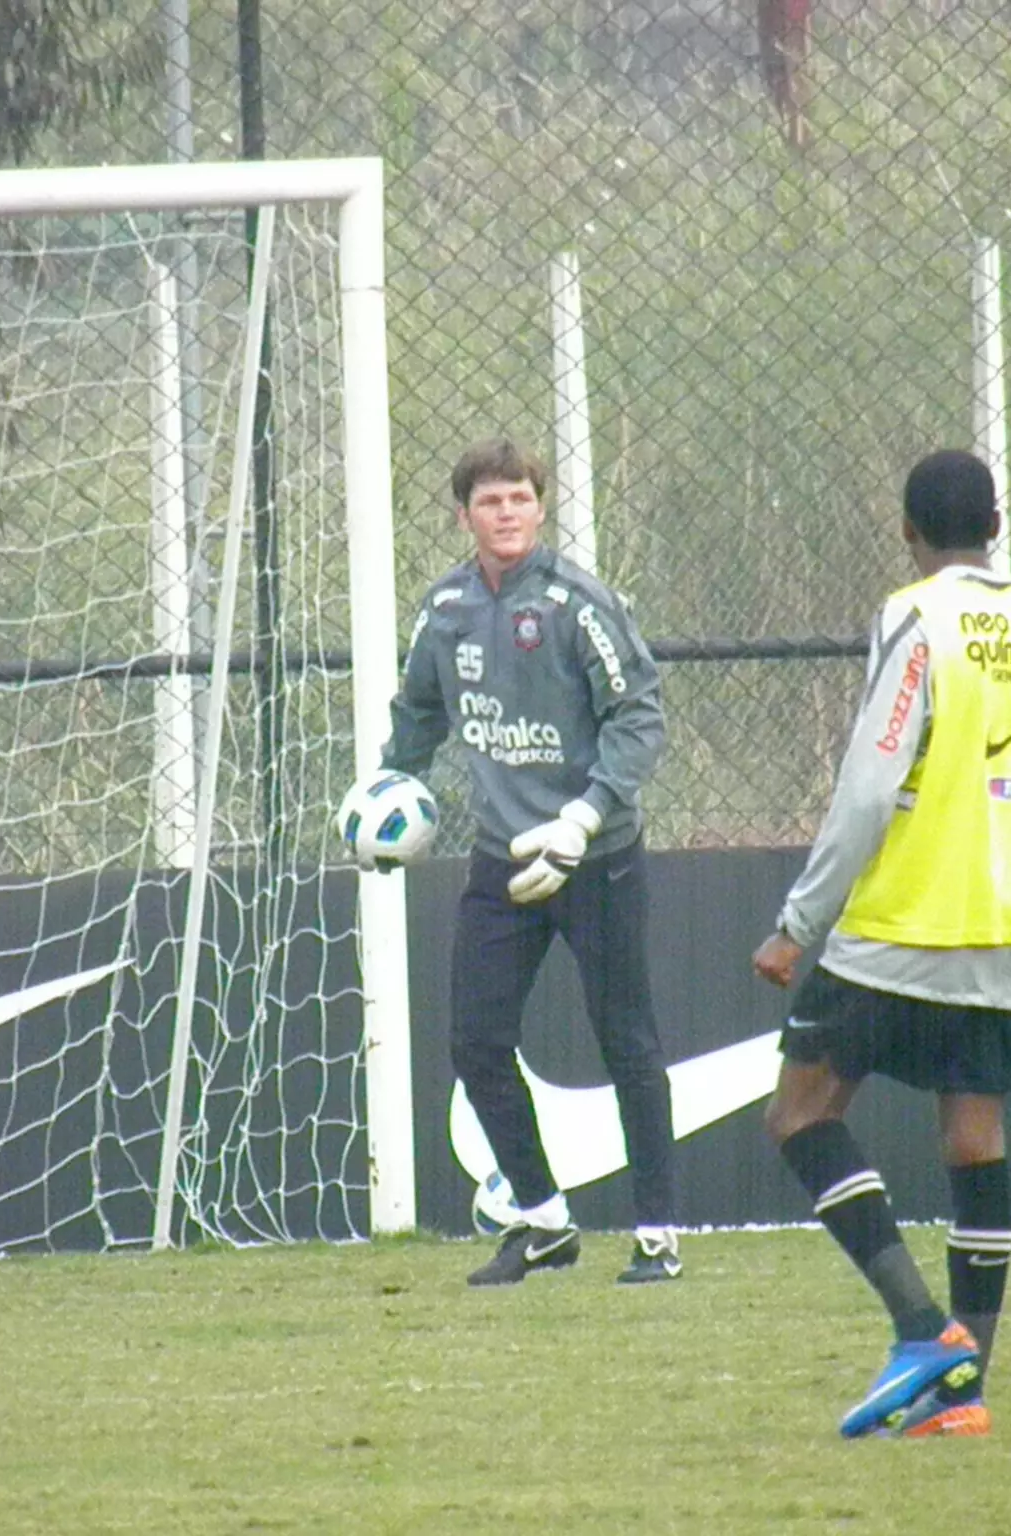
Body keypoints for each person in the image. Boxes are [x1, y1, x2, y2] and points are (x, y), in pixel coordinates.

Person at [750, 449, 1011, 1440]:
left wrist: (797, 923)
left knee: (800, 1114)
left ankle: (920, 1332)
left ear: (906, 530)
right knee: (972, 1134)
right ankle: (964, 1394)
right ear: (996, 519)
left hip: (906, 914)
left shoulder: (915, 617)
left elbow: (866, 783)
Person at [345, 436, 679, 1287]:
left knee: (627, 1044)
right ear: (464, 516)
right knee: (477, 1042)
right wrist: (387, 792)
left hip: (593, 856)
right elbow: (419, 712)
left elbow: (639, 718)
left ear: (541, 507)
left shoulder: (579, 604)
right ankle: (544, 1221)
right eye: (491, 502)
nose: (507, 514)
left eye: (521, 499)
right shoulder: (447, 608)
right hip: (502, 862)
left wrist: (584, 815)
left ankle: (657, 1235)